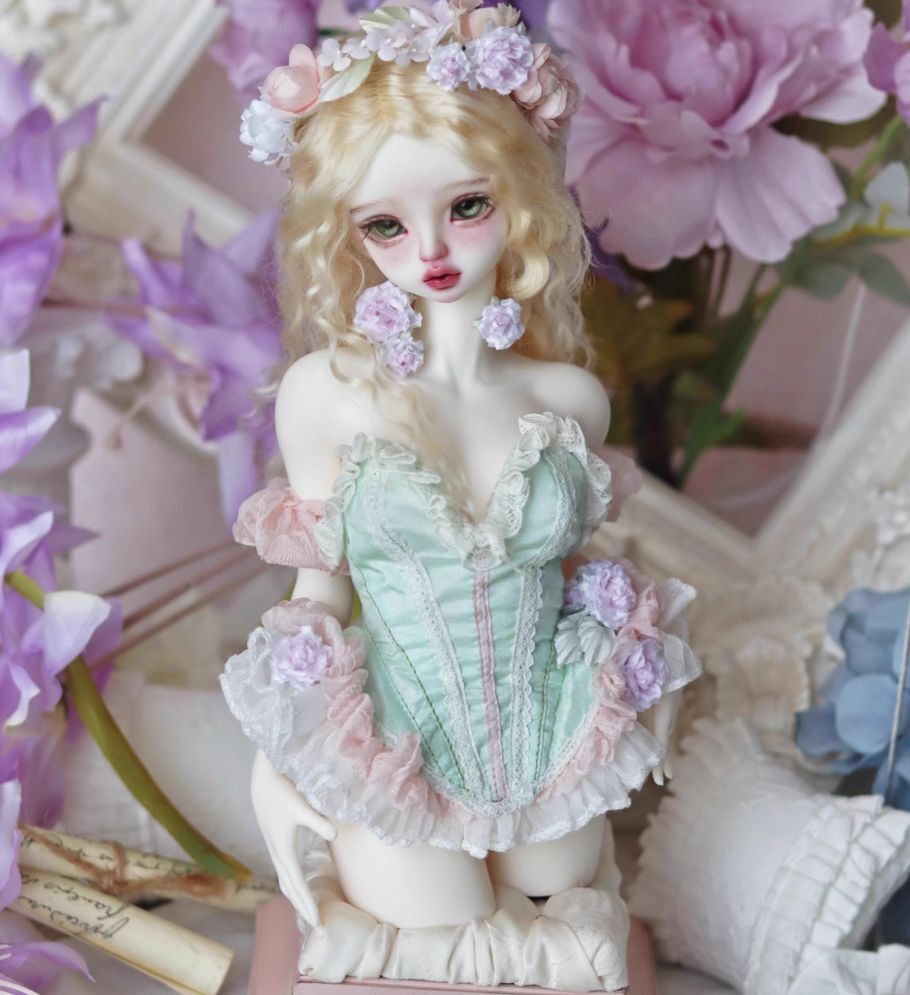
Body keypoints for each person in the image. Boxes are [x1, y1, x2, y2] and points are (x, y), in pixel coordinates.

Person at [221, 0, 700, 939]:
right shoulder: (328, 396)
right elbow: (319, 595)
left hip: (555, 744)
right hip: (401, 750)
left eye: (466, 206)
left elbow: (570, 586)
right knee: (444, 919)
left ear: (518, 197)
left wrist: (648, 684)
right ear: (347, 234)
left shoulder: (569, 401)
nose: (432, 250)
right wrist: (275, 766)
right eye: (385, 226)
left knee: (553, 892)